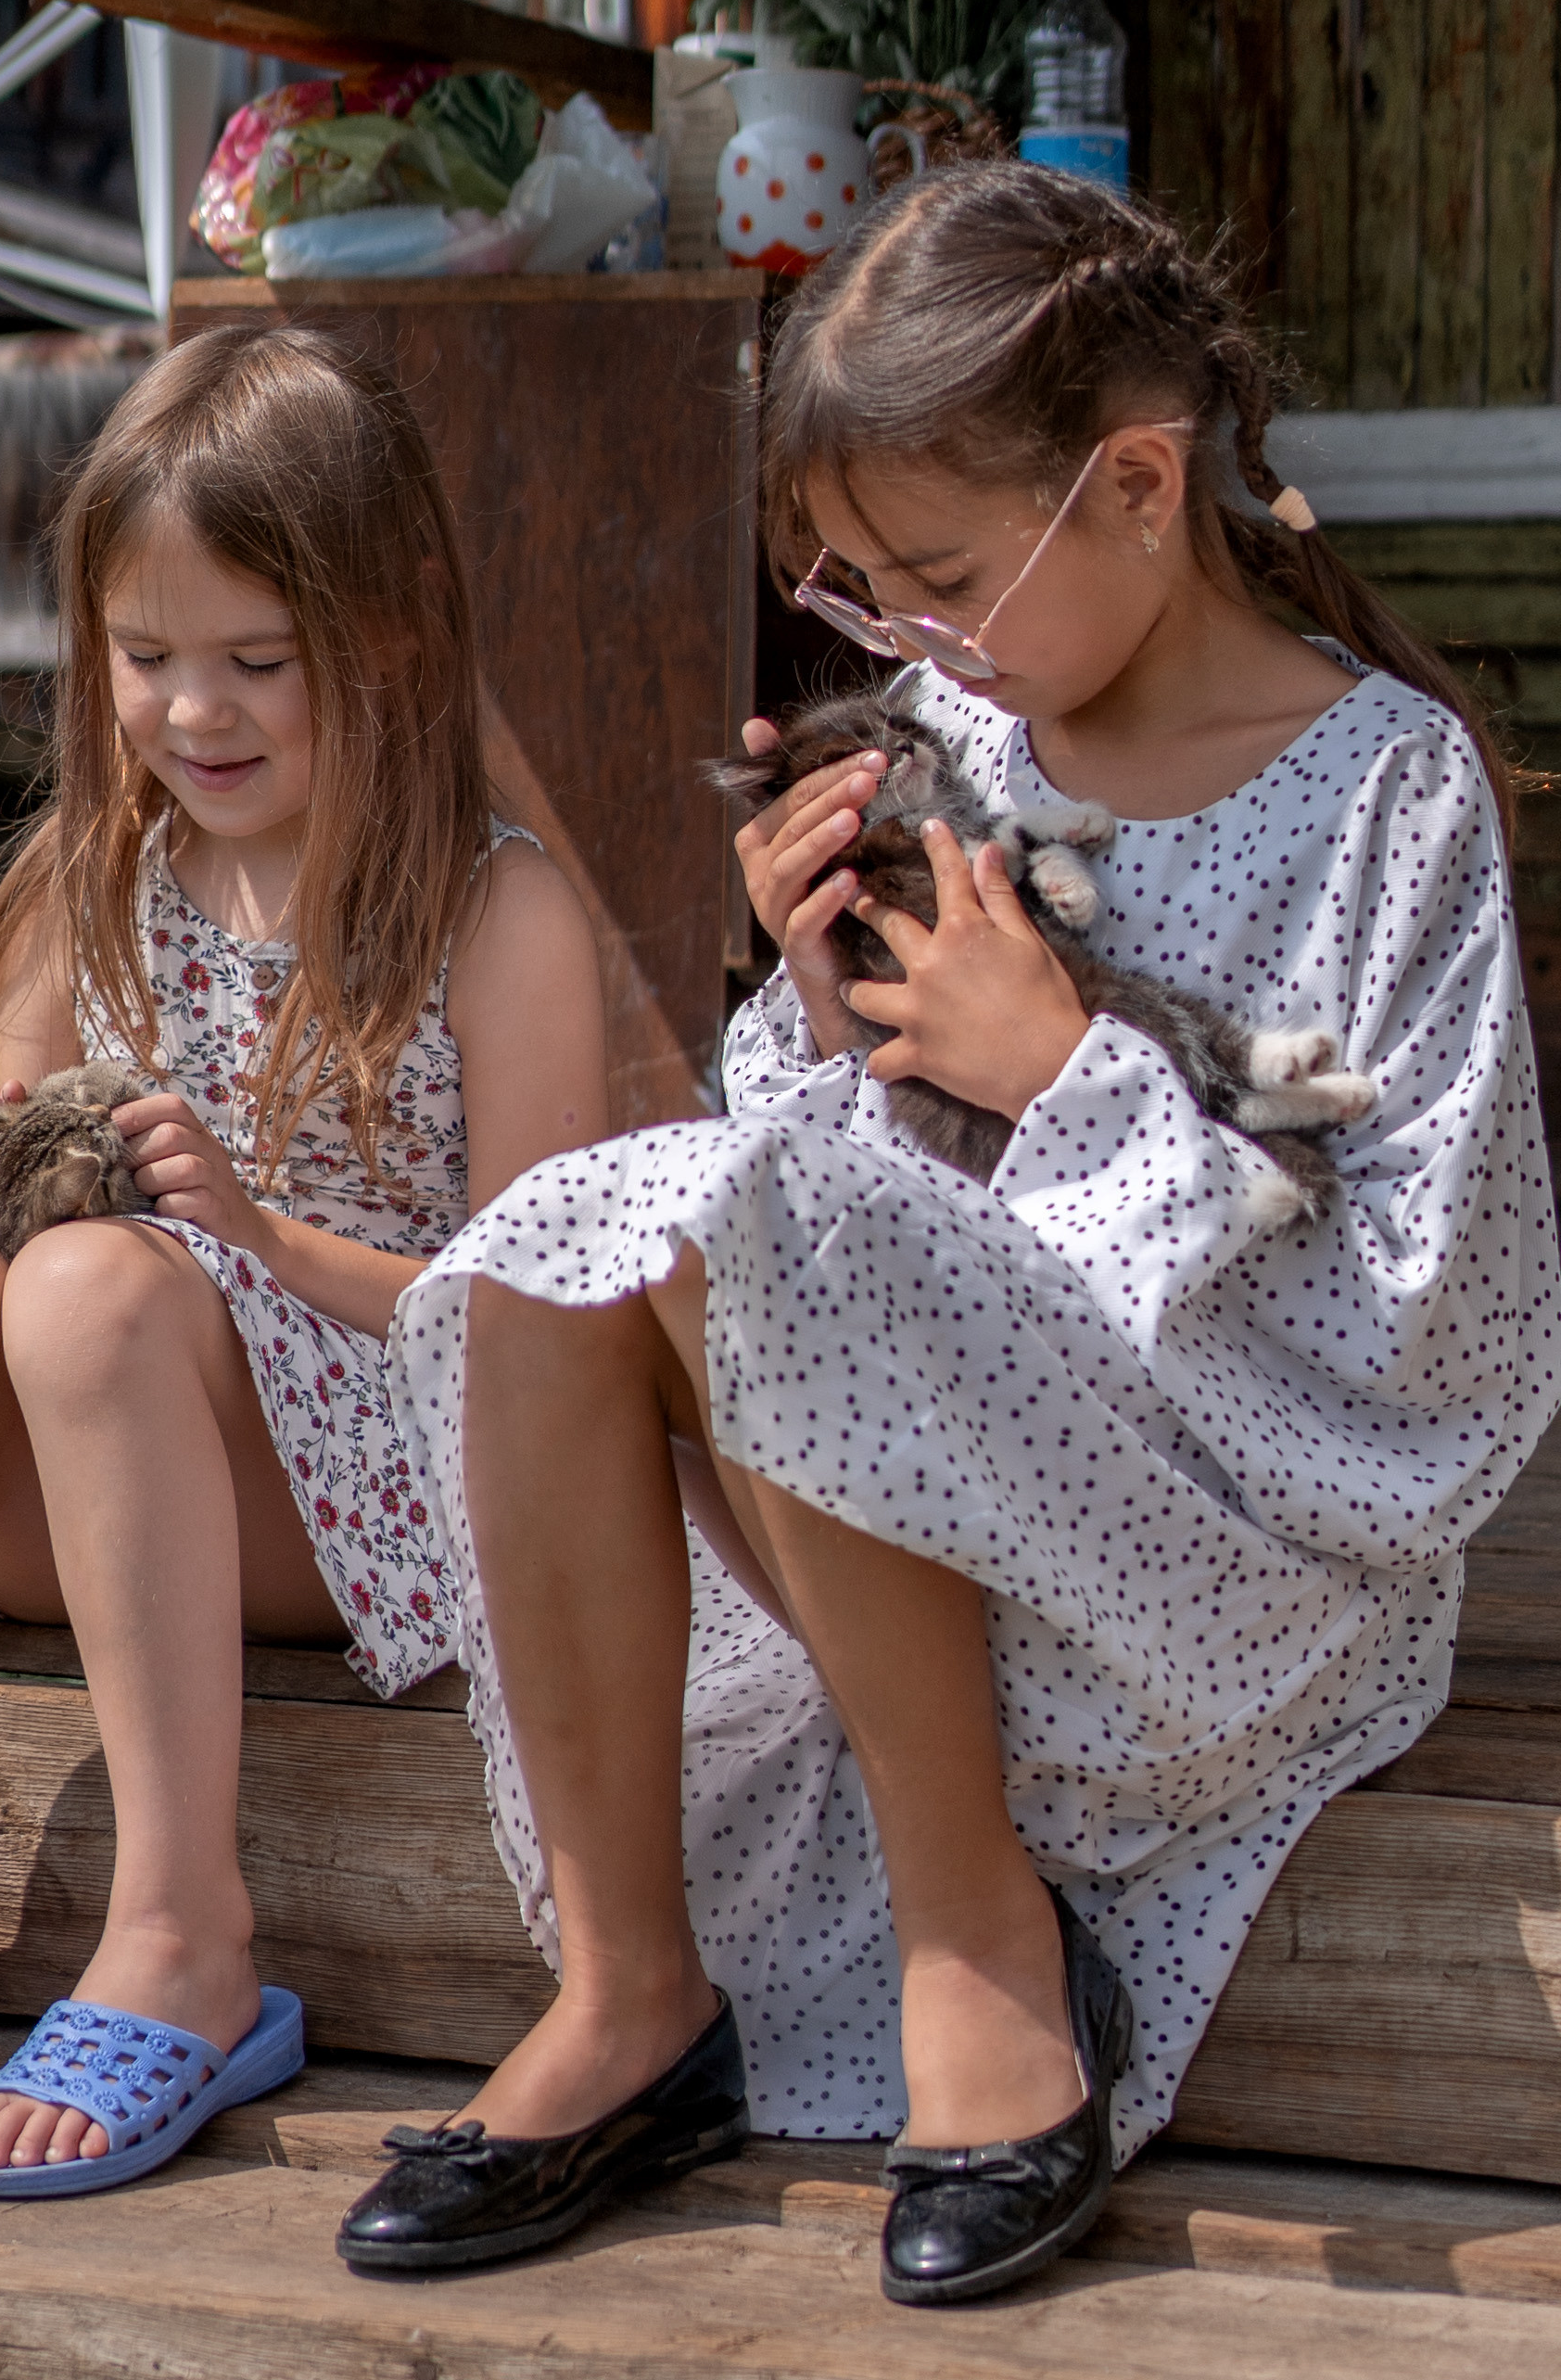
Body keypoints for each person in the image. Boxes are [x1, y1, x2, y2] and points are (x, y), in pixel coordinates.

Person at [336, 167, 1558, 2305]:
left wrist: (1062, 1063)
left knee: (745, 1216)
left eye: (939, 579)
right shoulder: (951, 751)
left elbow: (1421, 1302)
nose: (904, 641)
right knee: (559, 1234)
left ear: (1142, 488)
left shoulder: (1390, 794)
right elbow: (808, 1205)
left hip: (1253, 1556)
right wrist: (823, 1024)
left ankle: (979, 1931)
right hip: (940, 1529)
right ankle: (633, 1990)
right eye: (859, 593)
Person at [0, 326, 606, 2195]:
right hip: (104, 1468)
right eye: (146, 659)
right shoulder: (85, 889)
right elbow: (7, 1230)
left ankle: (185, 1932)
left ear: (388, 632)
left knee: (99, 1287)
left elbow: (546, 1308)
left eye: (252, 663)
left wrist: (254, 1237)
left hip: (375, 1502)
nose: (193, 712)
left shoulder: (489, 908)